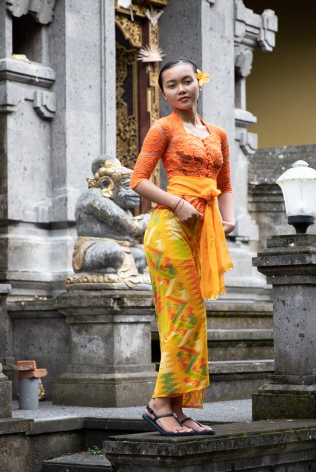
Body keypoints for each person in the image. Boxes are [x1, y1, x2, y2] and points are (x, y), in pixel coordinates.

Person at [130, 58, 235, 436]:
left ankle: (178, 406)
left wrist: (229, 219)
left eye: (186, 81)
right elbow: (138, 180)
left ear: (199, 83)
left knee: (194, 317)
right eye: (171, 85)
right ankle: (160, 404)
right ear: (163, 93)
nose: (181, 89)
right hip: (168, 229)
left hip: (203, 230)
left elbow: (225, 185)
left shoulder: (218, 134)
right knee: (181, 314)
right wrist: (176, 203)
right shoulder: (163, 128)